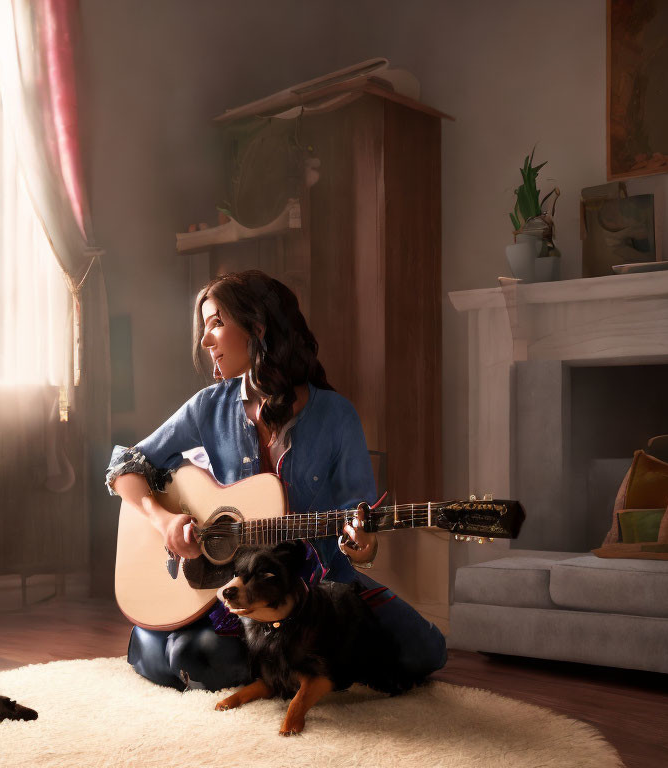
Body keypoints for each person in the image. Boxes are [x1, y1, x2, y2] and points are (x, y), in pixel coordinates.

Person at [106, 269, 446, 691]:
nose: (205, 340)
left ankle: (274, 655)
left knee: (426, 652)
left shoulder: (336, 415)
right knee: (197, 657)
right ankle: (290, 661)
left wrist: (363, 545)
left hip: (320, 589)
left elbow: (357, 514)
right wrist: (163, 521)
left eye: (216, 323)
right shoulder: (208, 407)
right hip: (238, 588)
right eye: (204, 327)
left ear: (258, 328)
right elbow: (125, 465)